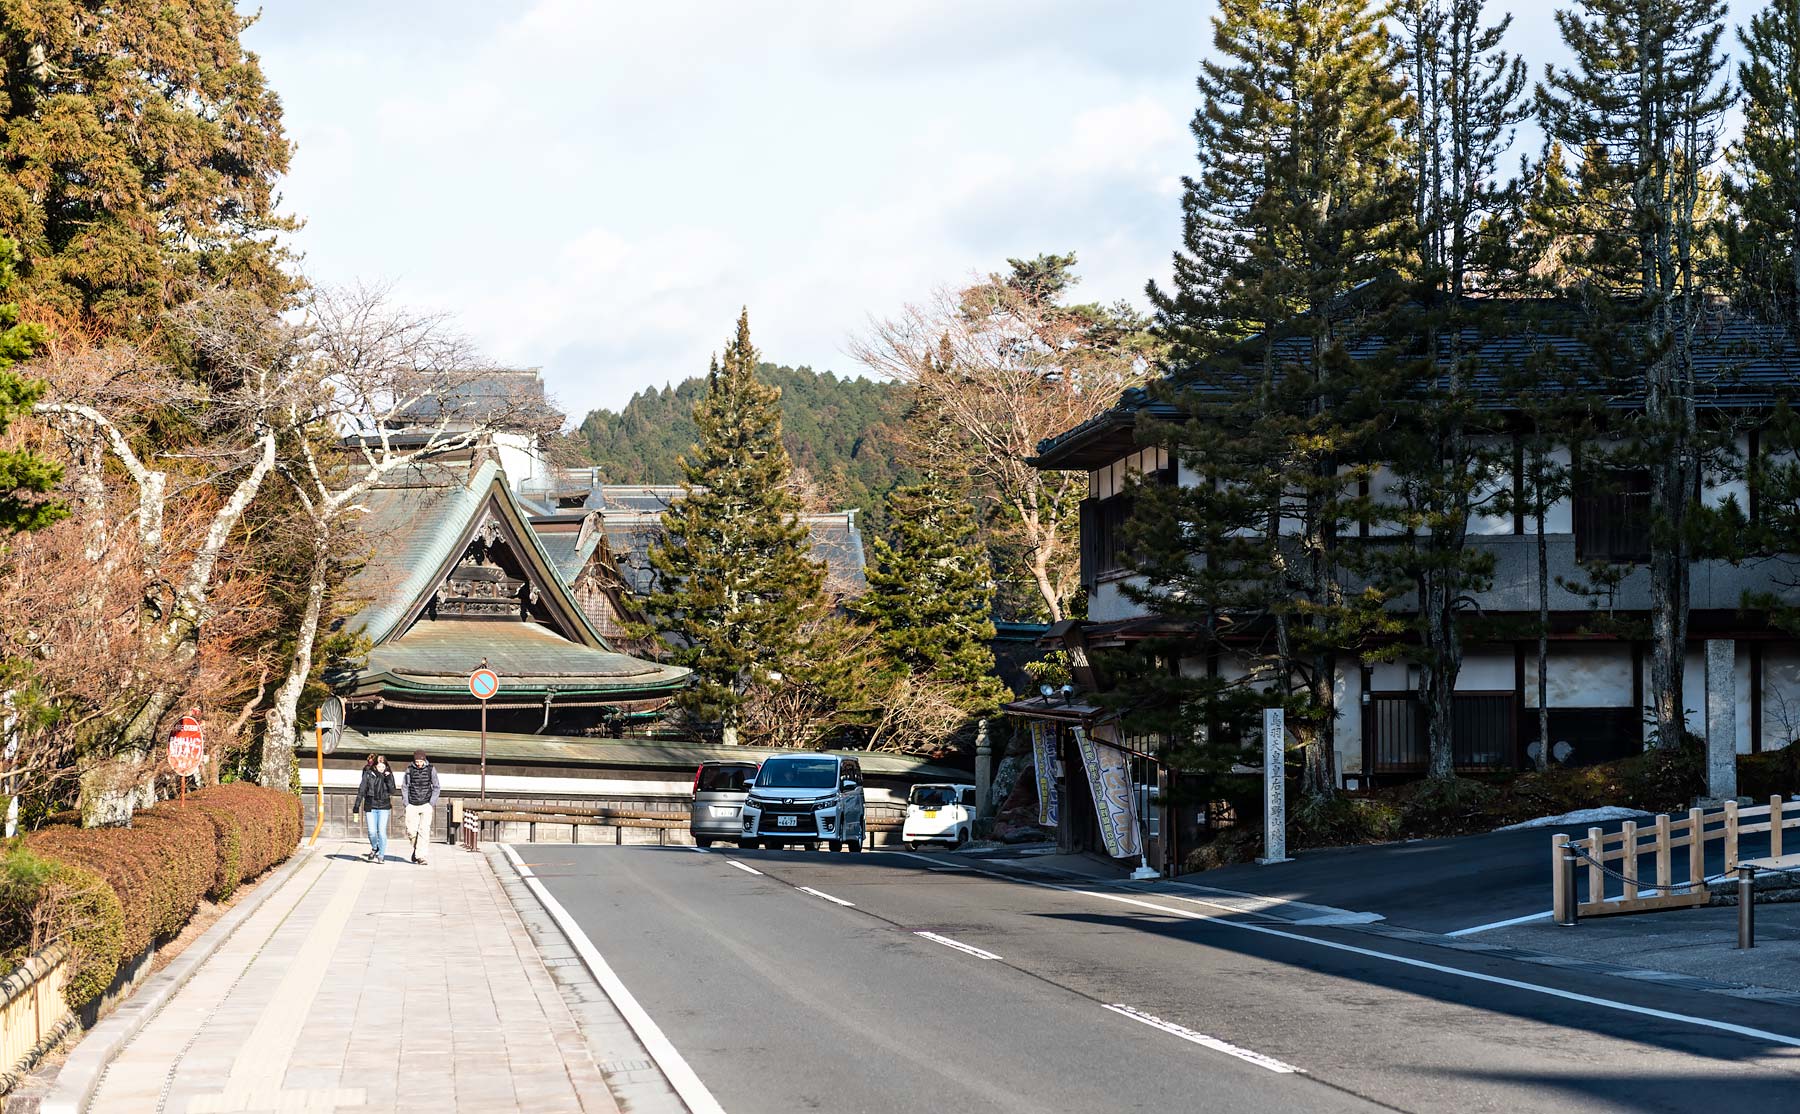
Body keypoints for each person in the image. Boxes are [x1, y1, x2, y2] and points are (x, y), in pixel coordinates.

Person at [351, 754, 395, 863]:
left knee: (381, 831)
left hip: (384, 806)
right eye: (379, 767)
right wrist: (357, 805)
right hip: (370, 805)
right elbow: (362, 790)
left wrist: (388, 778)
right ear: (375, 766)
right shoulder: (368, 774)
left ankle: (381, 855)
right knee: (371, 831)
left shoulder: (388, 775)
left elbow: (392, 790)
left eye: (383, 767)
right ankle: (375, 847)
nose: (381, 769)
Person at [402, 750, 441, 865]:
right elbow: (405, 786)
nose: (419, 763)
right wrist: (406, 803)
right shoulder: (409, 770)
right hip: (412, 804)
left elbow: (436, 786)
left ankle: (421, 856)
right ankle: (417, 849)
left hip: (426, 804)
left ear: (424, 760)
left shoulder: (431, 769)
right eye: (417, 761)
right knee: (411, 831)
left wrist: (431, 803)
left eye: (421, 761)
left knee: (424, 831)